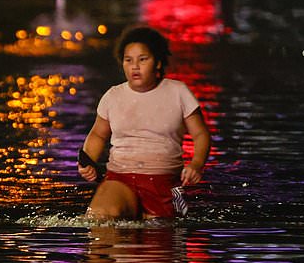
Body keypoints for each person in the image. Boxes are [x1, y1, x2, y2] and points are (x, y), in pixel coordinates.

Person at [77, 25, 211, 220]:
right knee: (99, 218)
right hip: (119, 178)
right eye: (128, 60)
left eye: (142, 59)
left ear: (157, 62)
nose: (135, 67)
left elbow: (201, 134)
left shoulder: (178, 92)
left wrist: (197, 164)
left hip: (164, 183)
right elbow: (98, 134)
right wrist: (87, 161)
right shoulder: (113, 95)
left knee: (158, 238)